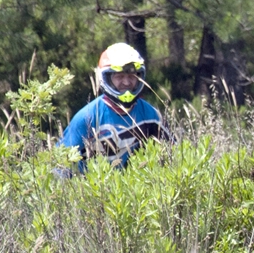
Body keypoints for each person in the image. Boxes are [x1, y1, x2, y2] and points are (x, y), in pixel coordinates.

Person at [58, 43, 171, 173]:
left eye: (132, 76)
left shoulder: (151, 115)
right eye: (119, 76)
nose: (127, 82)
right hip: (92, 190)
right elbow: (60, 166)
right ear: (105, 78)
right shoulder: (86, 117)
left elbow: (173, 154)